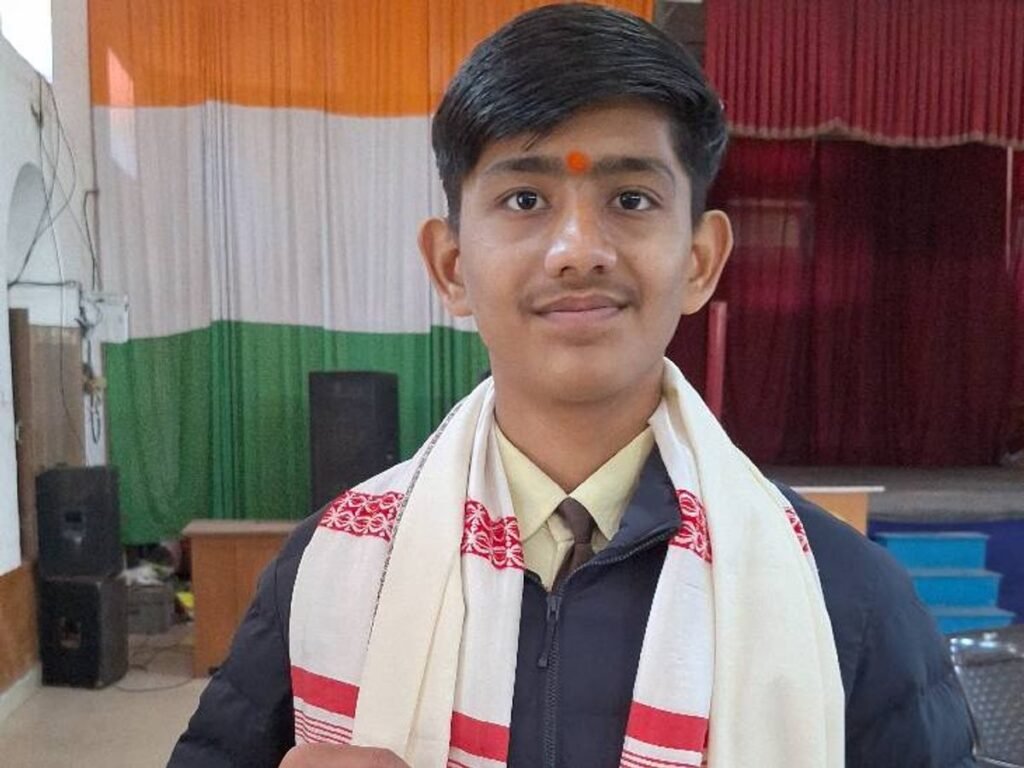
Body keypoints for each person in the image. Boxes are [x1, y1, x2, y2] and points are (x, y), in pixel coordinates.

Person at [168, 5, 976, 767]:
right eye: (526, 199)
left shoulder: (842, 596)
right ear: (452, 267)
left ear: (700, 261)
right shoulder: (333, 572)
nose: (578, 250)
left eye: (631, 199)